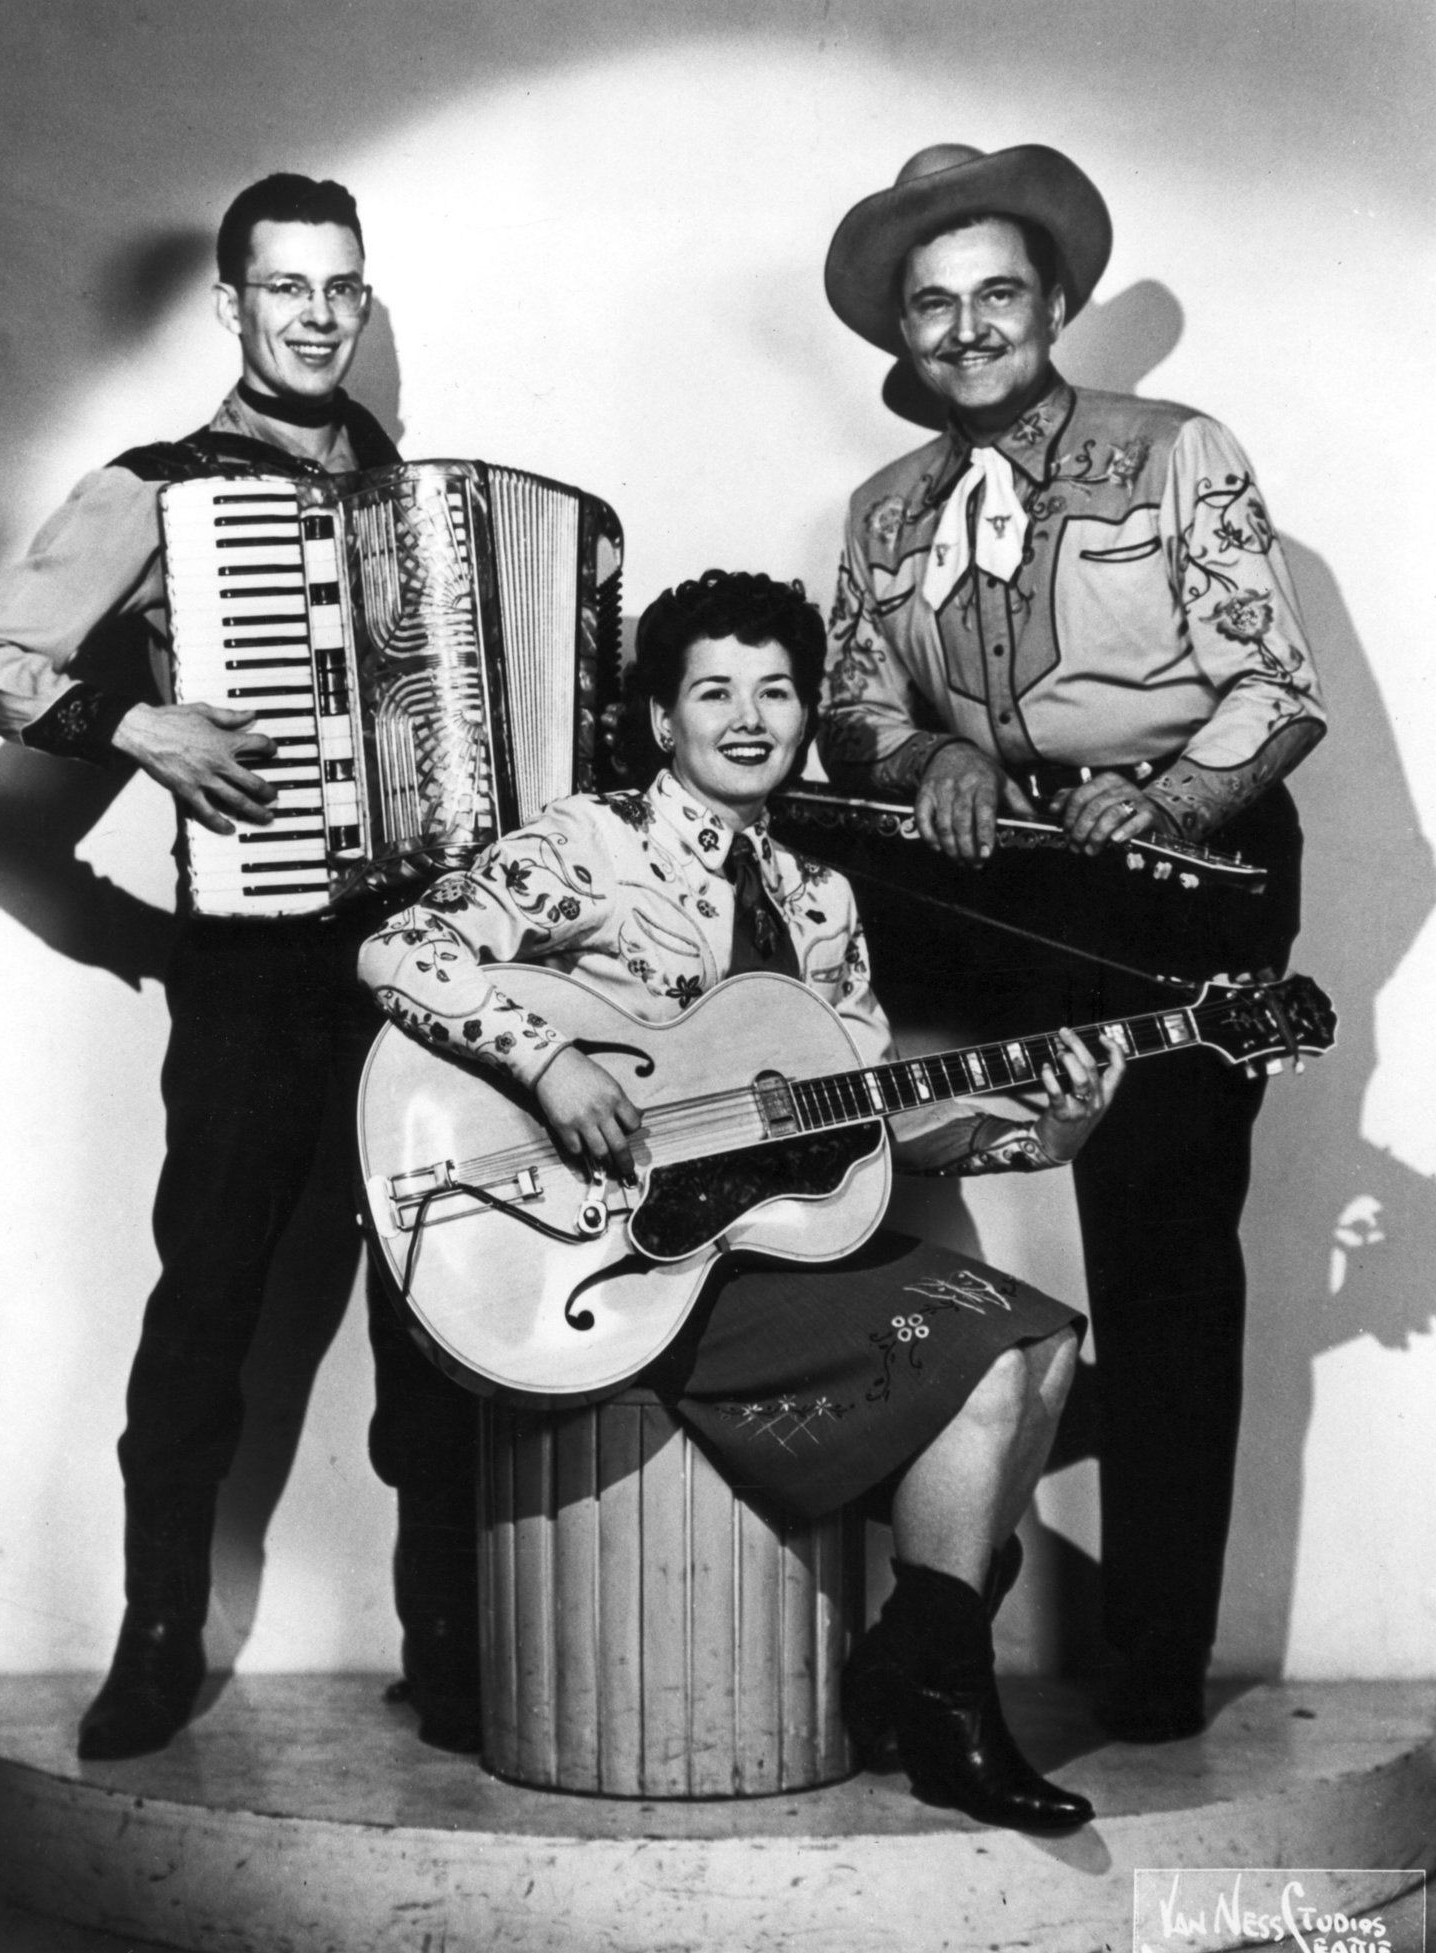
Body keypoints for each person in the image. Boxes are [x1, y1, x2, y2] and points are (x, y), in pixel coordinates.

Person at [359, 568, 1127, 1832]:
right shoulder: (589, 844)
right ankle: (945, 1704)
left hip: (753, 1251)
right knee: (999, 1357)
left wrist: (1042, 1129)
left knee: (1041, 1341)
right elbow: (402, 949)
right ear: (662, 719)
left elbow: (875, 1124)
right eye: (714, 691)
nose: (750, 715)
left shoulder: (820, 901)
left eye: (778, 689)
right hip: (603, 1253)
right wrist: (547, 1062)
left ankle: (916, 1672)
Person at [0, 173, 479, 1760]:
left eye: (342, 289)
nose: (318, 315)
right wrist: (137, 726)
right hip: (249, 971)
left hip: (424, 978)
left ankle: (443, 1636)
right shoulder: (157, 491)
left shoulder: (428, 504)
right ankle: (158, 1631)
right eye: (287, 288)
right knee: (210, 1305)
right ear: (232, 307)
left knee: (437, 1304)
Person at [818, 144, 1327, 1740]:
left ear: (1053, 306)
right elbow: (847, 705)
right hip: (989, 878)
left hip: (1186, 875)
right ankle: (938, 1585)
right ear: (902, 333)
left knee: (1162, 1244)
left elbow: (1276, 687)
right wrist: (926, 761)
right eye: (934, 305)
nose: (969, 330)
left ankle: (1154, 1662)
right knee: (850, 1133)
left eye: (997, 297)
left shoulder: (1178, 450)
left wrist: (1171, 799)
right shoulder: (883, 508)